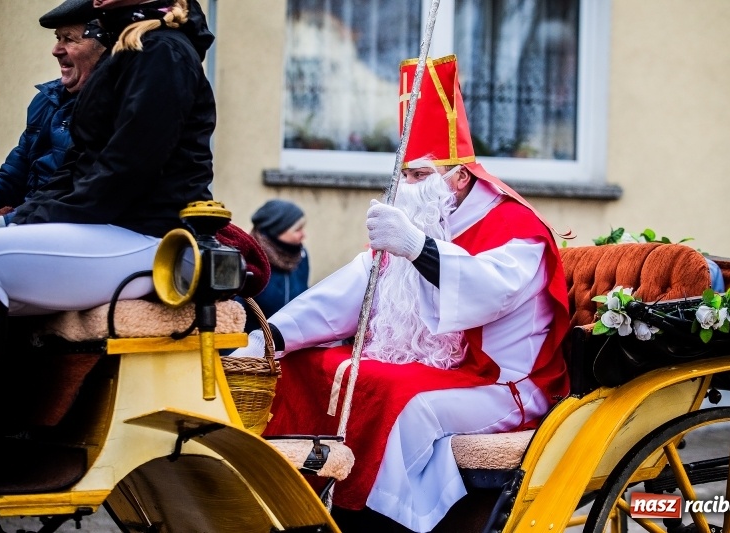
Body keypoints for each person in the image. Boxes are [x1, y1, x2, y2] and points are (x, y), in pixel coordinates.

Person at [231, 55, 571, 532]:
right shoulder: (427, 218)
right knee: (308, 366)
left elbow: (488, 289)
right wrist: (271, 338)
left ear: (458, 176)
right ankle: (301, 504)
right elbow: (348, 292)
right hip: (438, 366)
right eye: (404, 175)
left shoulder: (517, 227)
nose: (407, 188)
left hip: (504, 384)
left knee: (403, 402)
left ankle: (381, 520)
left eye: (418, 176)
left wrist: (417, 247)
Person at [0, 0, 215, 319]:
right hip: (111, 229)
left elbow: (126, 171)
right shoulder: (125, 49)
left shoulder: (163, 52)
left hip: (152, 237)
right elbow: (77, 165)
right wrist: (16, 219)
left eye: (68, 38)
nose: (57, 49)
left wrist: (23, 221)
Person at [0, 0, 105, 223]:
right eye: (58, 38)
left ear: (105, 47)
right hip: (31, 218)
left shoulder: (112, 106)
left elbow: (79, 192)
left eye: (69, 39)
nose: (56, 50)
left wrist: (10, 221)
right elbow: (12, 176)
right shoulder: (46, 100)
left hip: (68, 223)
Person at [240, 199, 309, 329]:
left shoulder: (301, 255)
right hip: (256, 338)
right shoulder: (249, 257)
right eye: (297, 229)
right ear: (276, 231)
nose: (304, 235)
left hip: (294, 336)